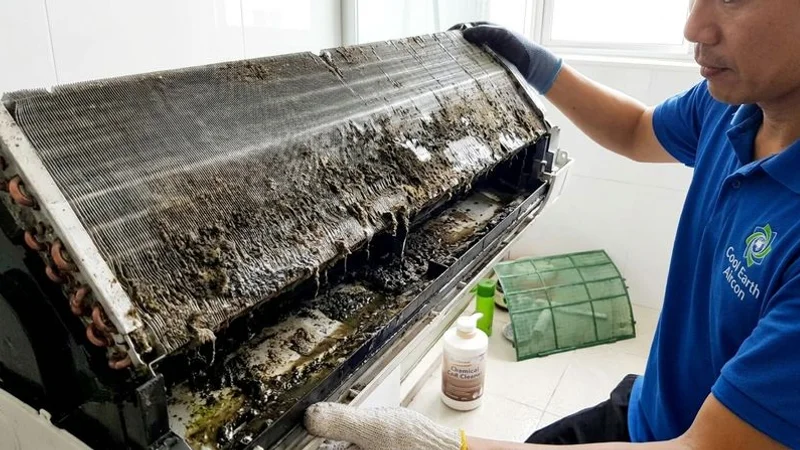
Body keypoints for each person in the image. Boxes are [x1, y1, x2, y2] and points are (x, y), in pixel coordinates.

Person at [305, 0, 800, 448]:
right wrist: (537, 64)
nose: (694, 26)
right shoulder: (728, 105)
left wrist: (439, 445)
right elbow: (635, 129)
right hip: (651, 412)